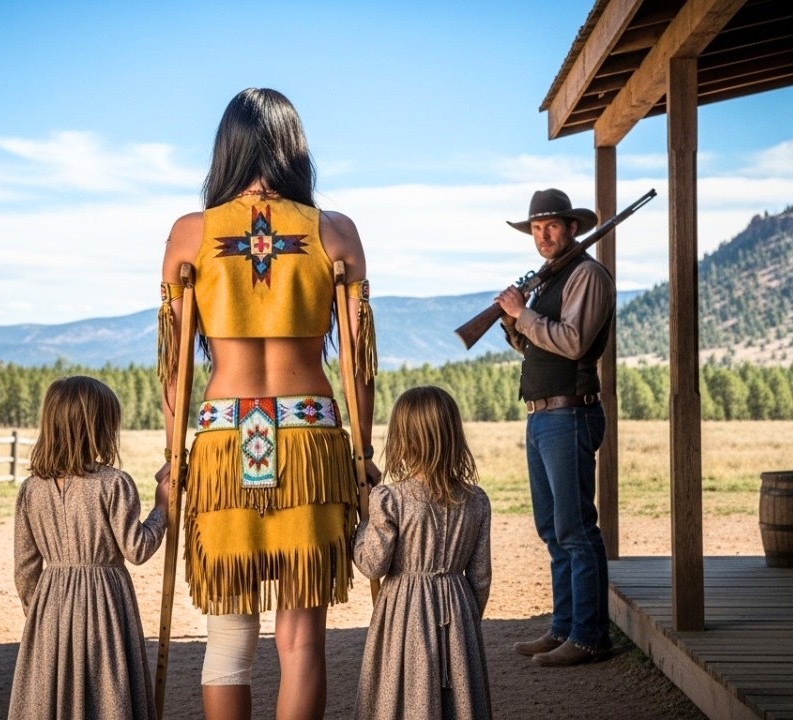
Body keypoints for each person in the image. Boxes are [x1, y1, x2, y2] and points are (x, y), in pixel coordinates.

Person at [157, 87, 378, 720]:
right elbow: (359, 365)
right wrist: (363, 452)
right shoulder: (334, 233)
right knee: (302, 638)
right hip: (311, 442)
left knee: (228, 635)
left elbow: (173, 368)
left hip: (226, 444)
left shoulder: (191, 235)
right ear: (295, 148)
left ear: (225, 149)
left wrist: (175, 456)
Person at [494, 188, 615, 667]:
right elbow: (538, 347)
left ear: (572, 228)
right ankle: (565, 628)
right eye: (536, 229)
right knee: (552, 529)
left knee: (576, 529)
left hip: (570, 413)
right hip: (543, 415)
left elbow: (573, 341)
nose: (542, 235)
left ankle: (590, 636)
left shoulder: (587, 274)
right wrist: (515, 321)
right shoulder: (550, 279)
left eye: (551, 227)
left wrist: (522, 314)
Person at [8, 376, 170, 720]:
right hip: (104, 604)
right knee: (106, 686)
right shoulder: (113, 484)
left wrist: (42, 617)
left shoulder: (31, 489)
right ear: (99, 429)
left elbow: (25, 570)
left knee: (55, 692)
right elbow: (137, 548)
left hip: (51, 605)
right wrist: (162, 508)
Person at [353, 386, 492, 719]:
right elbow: (480, 577)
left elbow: (373, 564)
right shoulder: (476, 500)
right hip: (458, 608)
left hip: (405, 613)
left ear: (403, 441)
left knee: (402, 693)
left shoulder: (390, 499)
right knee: (459, 699)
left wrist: (361, 526)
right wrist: (465, 622)